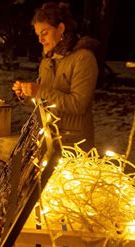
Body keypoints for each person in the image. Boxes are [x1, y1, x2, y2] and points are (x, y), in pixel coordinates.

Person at [12, 2, 98, 150]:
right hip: (48, 140)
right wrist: (26, 94)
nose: (40, 39)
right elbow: (45, 99)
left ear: (61, 28)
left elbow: (78, 105)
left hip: (74, 144)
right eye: (38, 34)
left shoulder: (83, 58)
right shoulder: (47, 60)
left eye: (44, 33)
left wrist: (39, 90)